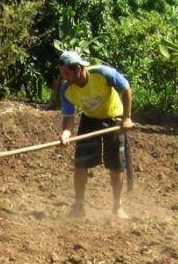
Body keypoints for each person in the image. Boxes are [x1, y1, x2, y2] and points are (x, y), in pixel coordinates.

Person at [56, 50, 134, 219]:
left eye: (68, 73)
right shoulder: (66, 89)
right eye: (62, 74)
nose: (65, 78)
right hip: (90, 119)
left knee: (115, 165)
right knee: (81, 163)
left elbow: (126, 88)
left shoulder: (102, 74)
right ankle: (78, 206)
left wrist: (126, 118)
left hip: (114, 118)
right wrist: (66, 133)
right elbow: (69, 117)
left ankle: (117, 207)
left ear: (78, 69)